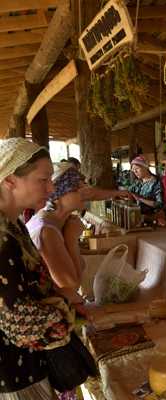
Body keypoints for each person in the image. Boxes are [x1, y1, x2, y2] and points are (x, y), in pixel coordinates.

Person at [0, 138, 73, 399]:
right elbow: (19, 321)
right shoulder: (2, 237)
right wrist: (65, 310)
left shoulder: (13, 225)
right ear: (10, 180)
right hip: (15, 375)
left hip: (25, 366)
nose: (51, 187)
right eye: (43, 179)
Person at [27, 164, 87, 307]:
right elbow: (70, 285)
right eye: (77, 188)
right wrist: (71, 238)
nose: (85, 191)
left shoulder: (57, 223)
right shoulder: (46, 230)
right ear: (58, 195)